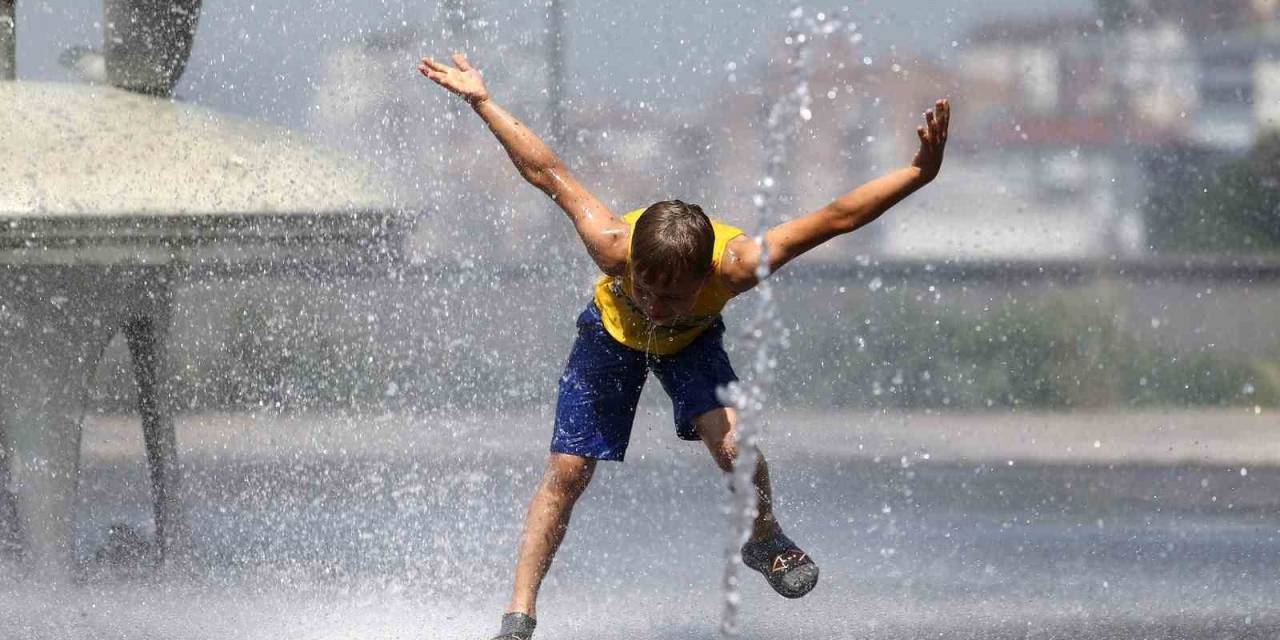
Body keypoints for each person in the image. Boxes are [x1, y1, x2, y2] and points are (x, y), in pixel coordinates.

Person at [418, 52, 950, 640]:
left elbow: (835, 218)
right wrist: (482, 100)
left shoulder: (740, 265)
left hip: (693, 346)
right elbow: (545, 171)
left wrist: (917, 174)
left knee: (734, 447)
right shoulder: (611, 243)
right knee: (568, 470)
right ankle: (518, 617)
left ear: (706, 277)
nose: (655, 304)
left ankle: (764, 537)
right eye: (646, 288)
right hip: (608, 338)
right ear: (633, 266)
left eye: (672, 296)